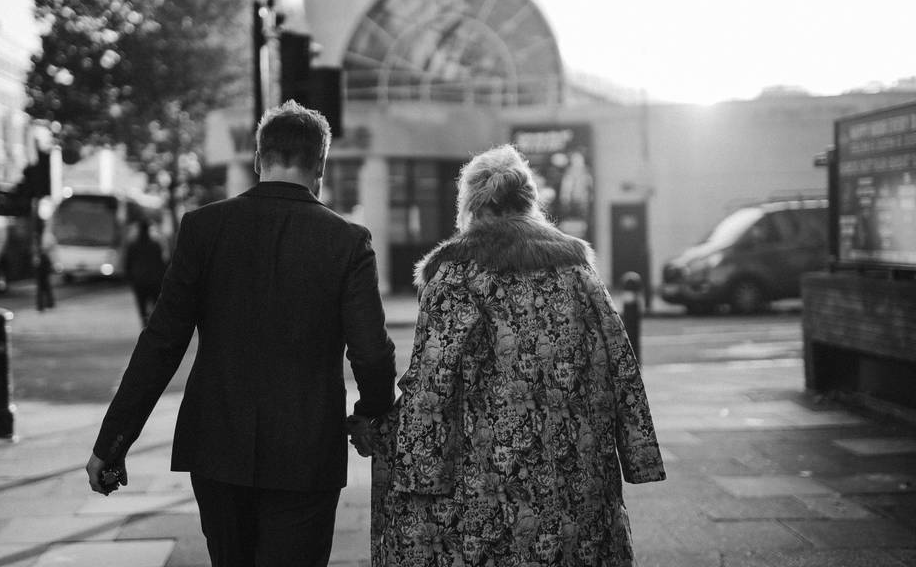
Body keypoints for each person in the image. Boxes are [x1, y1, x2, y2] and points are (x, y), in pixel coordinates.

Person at [86, 101, 397, 567]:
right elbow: (371, 353)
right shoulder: (347, 241)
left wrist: (113, 444)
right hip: (305, 450)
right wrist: (370, 416)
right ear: (321, 165)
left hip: (217, 444)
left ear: (258, 160)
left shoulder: (203, 228)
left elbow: (161, 342)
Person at [358, 145, 665, 566]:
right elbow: (623, 366)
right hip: (575, 476)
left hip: (491, 485)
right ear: (530, 201)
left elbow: (431, 385)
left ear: (470, 205)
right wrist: (638, 452)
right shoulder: (577, 271)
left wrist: (411, 466)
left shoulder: (456, 275)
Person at [125, 218, 167, 326]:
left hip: (139, 281)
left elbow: (128, 264)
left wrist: (130, 278)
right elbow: (162, 263)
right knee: (155, 306)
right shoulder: (155, 245)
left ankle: (145, 325)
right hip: (154, 280)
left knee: (142, 306)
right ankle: (153, 325)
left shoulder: (133, 245)